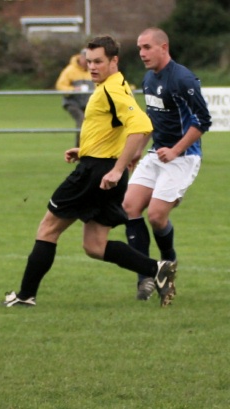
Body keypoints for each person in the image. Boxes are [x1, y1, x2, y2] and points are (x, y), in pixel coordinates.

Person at [2, 35, 177, 308]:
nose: (91, 67)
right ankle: (158, 269)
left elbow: (142, 126)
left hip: (97, 174)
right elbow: (121, 128)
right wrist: (86, 151)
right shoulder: (115, 84)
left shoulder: (112, 90)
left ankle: (25, 296)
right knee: (95, 247)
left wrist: (118, 169)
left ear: (114, 60)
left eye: (98, 62)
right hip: (101, 168)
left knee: (47, 229)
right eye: (89, 61)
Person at [125, 27, 212, 301]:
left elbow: (203, 121)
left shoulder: (183, 79)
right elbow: (151, 120)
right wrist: (138, 150)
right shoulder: (149, 78)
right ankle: (145, 278)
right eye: (140, 48)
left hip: (182, 157)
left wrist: (175, 150)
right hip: (156, 154)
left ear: (164, 47)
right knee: (129, 207)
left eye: (147, 47)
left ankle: (167, 266)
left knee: (157, 217)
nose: (142, 53)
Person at [55, 49, 94, 147]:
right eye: (86, 61)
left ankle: (91, 148)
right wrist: (73, 90)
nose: (87, 64)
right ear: (81, 58)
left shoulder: (93, 70)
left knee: (92, 124)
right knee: (81, 121)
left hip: (88, 103)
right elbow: (60, 86)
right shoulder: (70, 70)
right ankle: (79, 148)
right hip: (73, 103)